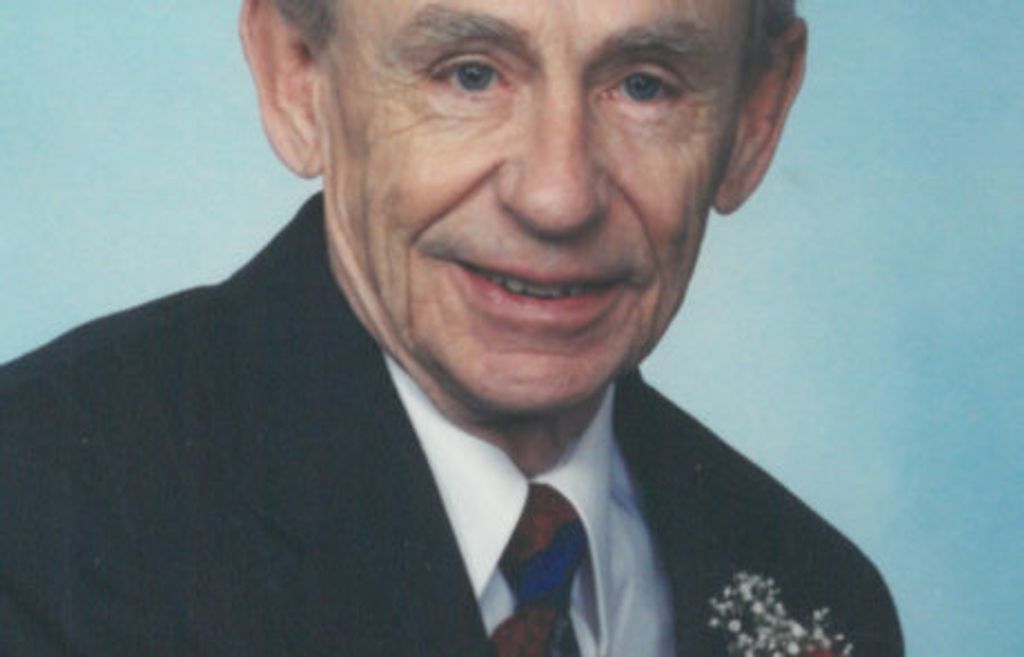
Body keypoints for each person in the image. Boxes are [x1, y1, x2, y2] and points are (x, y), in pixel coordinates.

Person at [0, 0, 903, 655]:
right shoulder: (38, 520)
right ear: (298, 76)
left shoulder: (823, 591)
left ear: (755, 115)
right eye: (469, 74)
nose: (557, 194)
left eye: (644, 86)